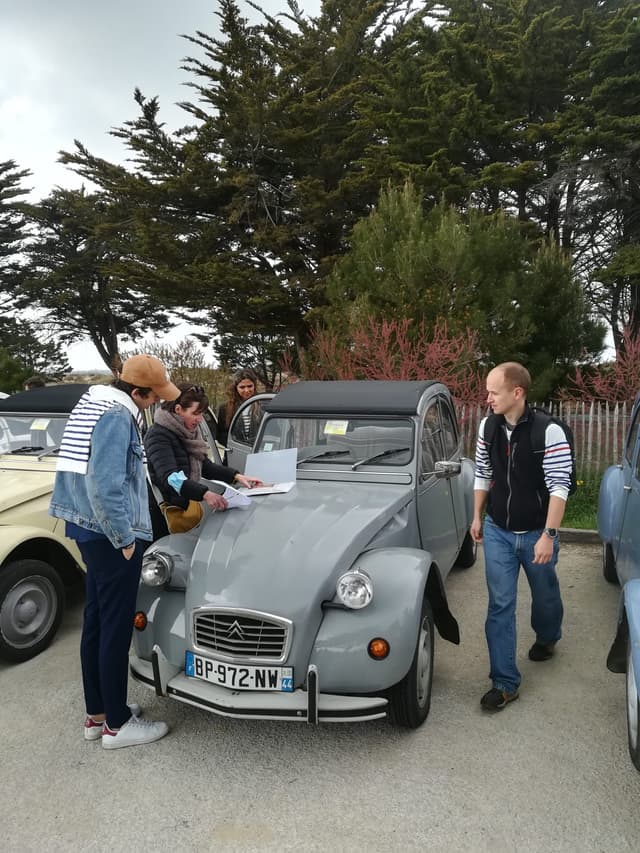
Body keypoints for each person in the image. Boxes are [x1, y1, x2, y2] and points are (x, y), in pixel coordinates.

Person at [49, 353, 179, 749]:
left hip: (86, 527)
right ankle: (117, 725)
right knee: (115, 625)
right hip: (109, 533)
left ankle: (99, 712)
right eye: (153, 396)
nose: (156, 402)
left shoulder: (94, 402)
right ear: (137, 391)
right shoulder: (118, 416)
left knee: (97, 619)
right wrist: (124, 540)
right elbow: (104, 484)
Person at [470, 362, 572, 712]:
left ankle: (548, 636)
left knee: (544, 595)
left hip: (536, 534)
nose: (488, 399)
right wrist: (477, 516)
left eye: (493, 392)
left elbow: (560, 485)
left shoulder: (549, 431)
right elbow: (483, 473)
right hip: (498, 531)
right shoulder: (488, 428)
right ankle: (504, 683)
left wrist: (549, 534)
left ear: (517, 393)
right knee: (500, 605)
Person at [144, 382, 261, 534]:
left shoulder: (187, 432)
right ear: (178, 410)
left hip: (184, 503)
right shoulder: (158, 435)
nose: (200, 419)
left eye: (202, 414)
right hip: (164, 514)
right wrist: (205, 493)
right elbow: (170, 477)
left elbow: (204, 466)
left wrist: (237, 476)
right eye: (195, 413)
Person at [216, 368, 261, 447]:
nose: (246, 390)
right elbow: (221, 434)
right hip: (235, 452)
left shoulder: (262, 405)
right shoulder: (225, 408)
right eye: (242, 387)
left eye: (249, 386)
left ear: (255, 386)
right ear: (236, 388)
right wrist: (238, 444)